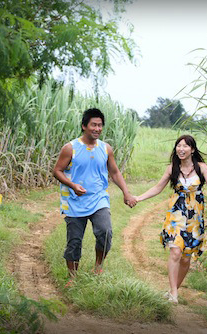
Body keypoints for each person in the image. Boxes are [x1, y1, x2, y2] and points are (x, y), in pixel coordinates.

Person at [53, 108, 137, 284]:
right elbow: (57, 171)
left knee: (105, 232)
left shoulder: (106, 148)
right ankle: (72, 277)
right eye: (94, 125)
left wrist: (126, 193)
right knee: (74, 241)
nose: (97, 128)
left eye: (100, 125)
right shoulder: (70, 148)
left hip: (99, 199)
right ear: (84, 126)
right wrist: (72, 185)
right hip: (74, 202)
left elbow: (114, 172)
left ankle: (98, 266)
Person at [134, 134, 207, 303]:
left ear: (192, 149)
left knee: (186, 257)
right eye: (178, 146)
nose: (181, 149)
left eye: (185, 146)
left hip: (194, 216)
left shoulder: (201, 167)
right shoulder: (172, 168)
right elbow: (157, 188)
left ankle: (172, 290)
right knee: (175, 251)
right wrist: (138, 198)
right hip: (176, 214)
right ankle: (174, 293)